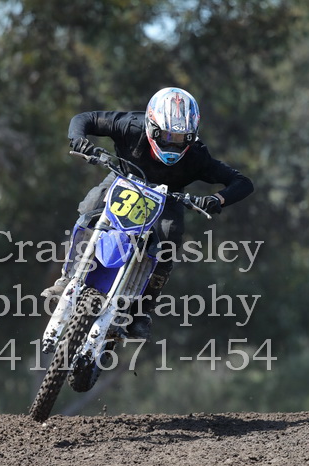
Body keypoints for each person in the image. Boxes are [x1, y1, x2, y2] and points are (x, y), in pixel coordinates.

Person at [42, 87, 254, 339]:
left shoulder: (198, 156)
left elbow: (243, 183)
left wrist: (216, 200)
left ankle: (141, 311)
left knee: (169, 240)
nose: (171, 143)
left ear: (192, 135)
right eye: (165, 135)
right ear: (151, 125)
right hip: (123, 179)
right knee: (90, 208)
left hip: (169, 197)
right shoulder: (131, 125)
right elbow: (84, 119)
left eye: (180, 138)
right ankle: (67, 280)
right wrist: (79, 139)